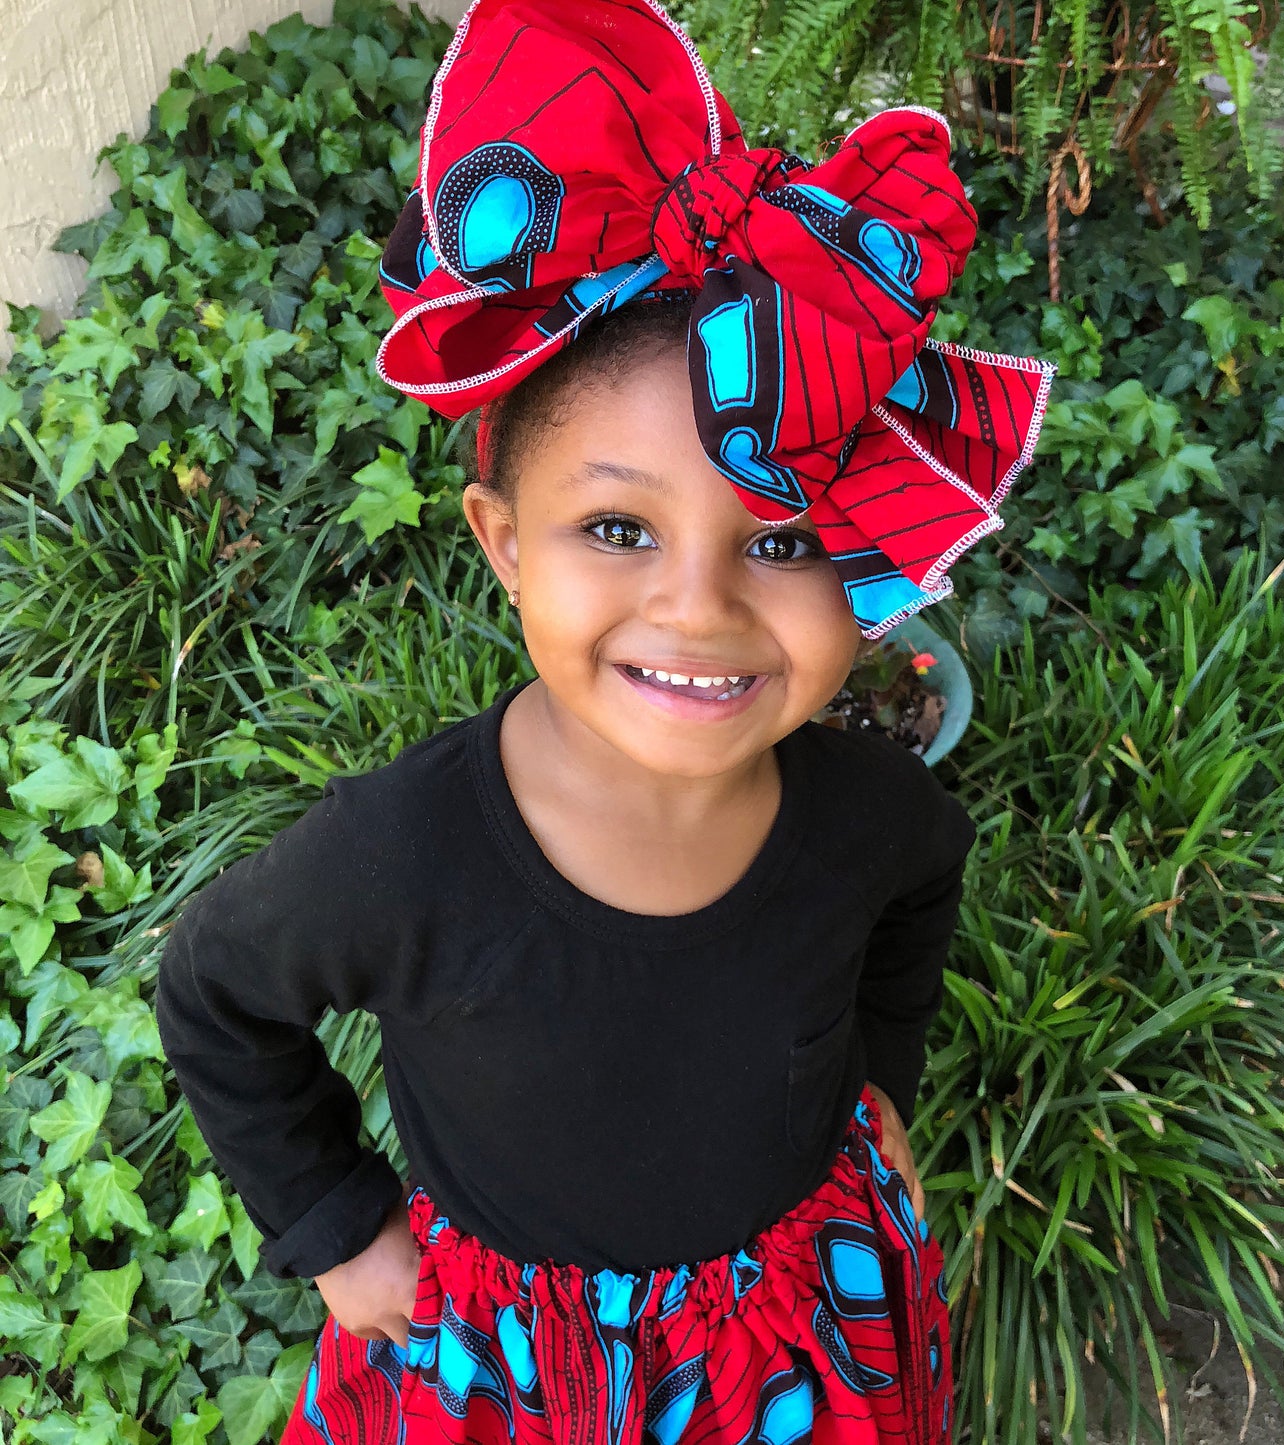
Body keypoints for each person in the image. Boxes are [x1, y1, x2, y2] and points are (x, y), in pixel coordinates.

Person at [153, 1, 1055, 1440]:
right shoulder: (399, 857)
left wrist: (880, 1082)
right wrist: (334, 1222)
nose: (696, 608)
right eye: (616, 526)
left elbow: (917, 895)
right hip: (501, 1364)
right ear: (504, 541)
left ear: (868, 576)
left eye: (778, 543)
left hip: (798, 1333)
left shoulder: (869, 816)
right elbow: (215, 991)